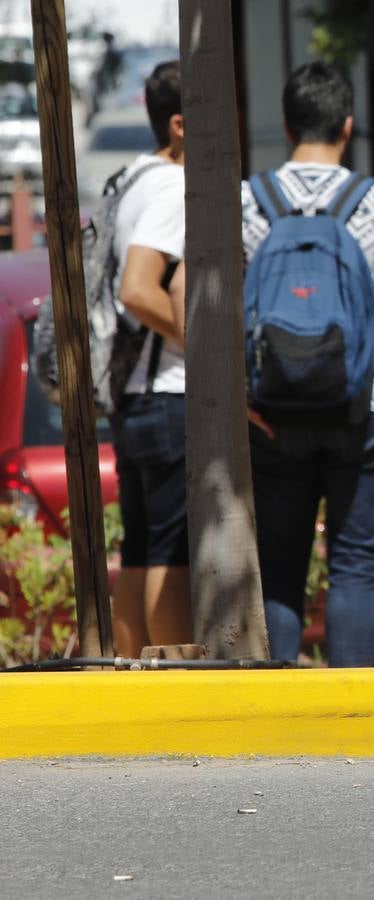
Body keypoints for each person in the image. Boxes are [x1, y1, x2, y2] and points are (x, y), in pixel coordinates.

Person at [240, 62, 374, 667]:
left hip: (273, 409)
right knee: (355, 567)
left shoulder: (248, 201)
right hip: (366, 409)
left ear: (288, 124)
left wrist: (242, 396)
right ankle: (350, 715)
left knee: (282, 563)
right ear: (346, 126)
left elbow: (196, 303)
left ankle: (282, 713)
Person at [110, 60, 192, 656]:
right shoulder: (169, 186)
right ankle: (176, 692)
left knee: (140, 548)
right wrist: (206, 352)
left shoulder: (131, 180)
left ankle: (130, 686)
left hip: (133, 397)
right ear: (182, 125)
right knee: (170, 549)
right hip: (166, 391)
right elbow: (138, 288)